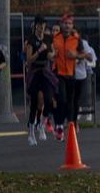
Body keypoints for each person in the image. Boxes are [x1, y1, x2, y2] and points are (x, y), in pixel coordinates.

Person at [24, 16, 56, 146]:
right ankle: (31, 132)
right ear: (35, 25)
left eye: (43, 24)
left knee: (48, 100)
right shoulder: (31, 40)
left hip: (46, 70)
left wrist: (51, 55)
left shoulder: (48, 38)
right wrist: (39, 51)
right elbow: (29, 60)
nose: (41, 27)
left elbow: (53, 52)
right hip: (35, 71)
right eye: (39, 24)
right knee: (34, 103)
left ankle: (41, 124)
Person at [51, 14, 82, 140]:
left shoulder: (76, 39)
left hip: (71, 73)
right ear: (61, 24)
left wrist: (75, 55)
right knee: (61, 99)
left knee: (71, 102)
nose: (67, 26)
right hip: (58, 73)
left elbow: (82, 54)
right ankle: (59, 124)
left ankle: (70, 124)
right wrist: (52, 54)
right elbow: (49, 53)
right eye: (65, 23)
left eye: (70, 24)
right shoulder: (54, 39)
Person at [72, 34, 96, 126]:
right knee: (74, 97)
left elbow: (92, 61)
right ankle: (76, 115)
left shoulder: (88, 48)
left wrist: (82, 59)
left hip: (86, 73)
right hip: (72, 74)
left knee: (86, 93)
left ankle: (88, 112)